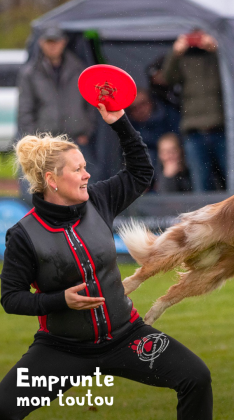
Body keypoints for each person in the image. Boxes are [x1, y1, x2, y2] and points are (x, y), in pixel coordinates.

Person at [0, 105, 212, 419]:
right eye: (77, 170)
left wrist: (120, 123)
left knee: (196, 377)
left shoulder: (98, 200)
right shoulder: (23, 235)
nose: (87, 175)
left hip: (127, 337)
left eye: (85, 167)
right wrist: (61, 301)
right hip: (62, 348)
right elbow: (11, 299)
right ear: (51, 180)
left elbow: (140, 172)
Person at [17, 26, 96, 194]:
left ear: (64, 42)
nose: (52, 46)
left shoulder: (79, 69)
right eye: (48, 42)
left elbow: (90, 103)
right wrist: (33, 140)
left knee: (81, 185)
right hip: (46, 142)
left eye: (56, 41)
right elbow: (25, 110)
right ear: (41, 43)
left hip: (76, 139)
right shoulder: (30, 74)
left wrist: (87, 130)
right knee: (43, 187)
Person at [162, 29, 226, 192]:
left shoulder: (216, 57)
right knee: (201, 183)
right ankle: (204, 218)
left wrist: (218, 48)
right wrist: (175, 53)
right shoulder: (183, 59)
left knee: (232, 179)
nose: (196, 41)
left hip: (220, 128)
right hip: (194, 131)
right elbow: (167, 79)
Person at [126, 88, 180, 170]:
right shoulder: (129, 129)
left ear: (151, 102)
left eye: (142, 104)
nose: (139, 110)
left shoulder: (169, 116)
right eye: (134, 108)